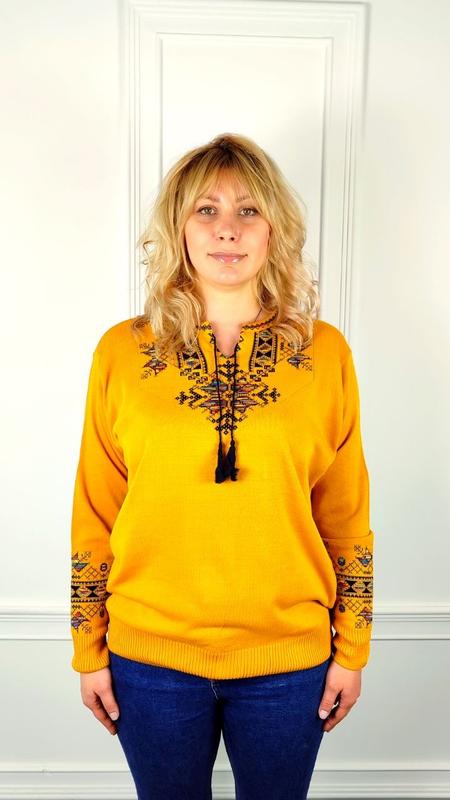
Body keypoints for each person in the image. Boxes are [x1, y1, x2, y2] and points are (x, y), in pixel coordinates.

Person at [70, 132, 375, 799]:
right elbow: (96, 510)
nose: (227, 230)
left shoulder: (325, 353)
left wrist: (353, 648)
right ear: (178, 228)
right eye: (205, 210)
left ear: (274, 229)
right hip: (149, 659)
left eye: (248, 211)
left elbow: (346, 515)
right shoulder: (121, 352)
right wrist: (87, 649)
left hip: (288, 662)